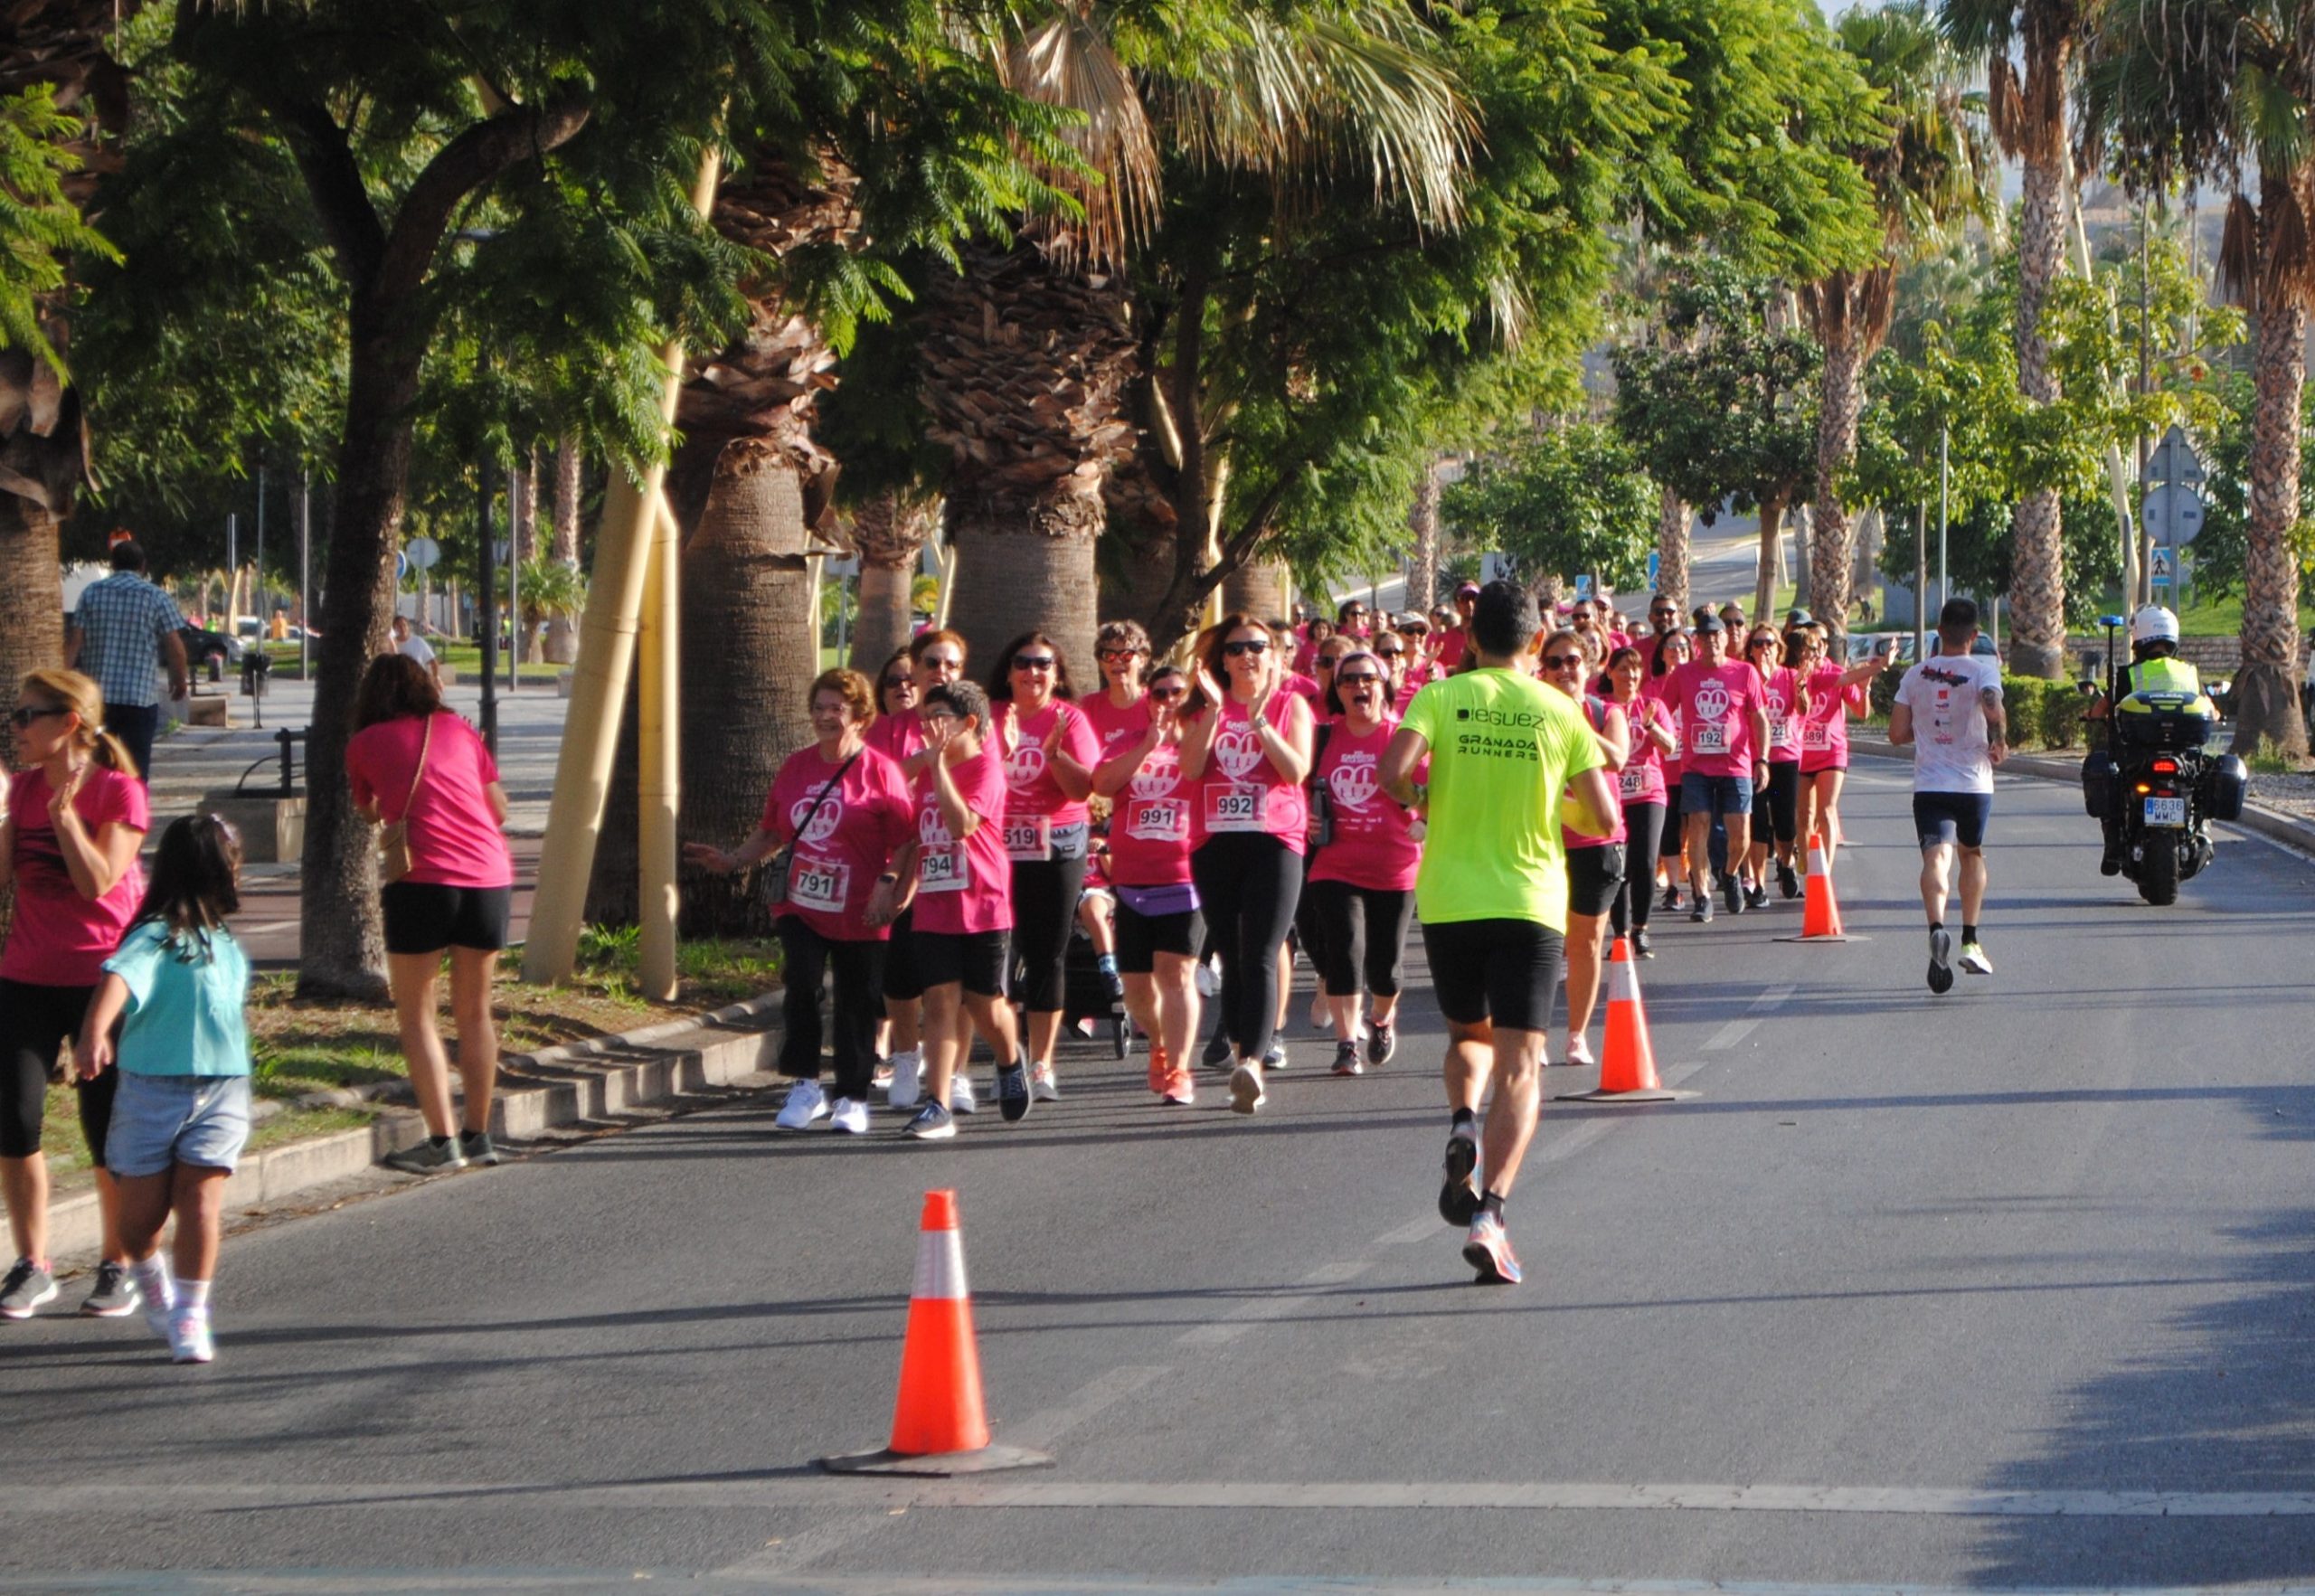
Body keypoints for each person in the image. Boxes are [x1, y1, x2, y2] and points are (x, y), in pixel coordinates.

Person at [1383, 581, 1614, 1286]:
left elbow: (1391, 771)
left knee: (1466, 1039)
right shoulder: (1561, 707)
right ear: (1537, 643)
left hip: (1450, 899)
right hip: (1529, 901)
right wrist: (1553, 805)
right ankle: (1492, 1213)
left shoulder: (1441, 697)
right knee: (1522, 1062)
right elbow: (1603, 817)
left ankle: (1460, 1122)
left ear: (1470, 640)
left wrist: (1425, 798)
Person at [686, 669, 914, 1136]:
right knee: (802, 983)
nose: (826, 717)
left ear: (860, 716)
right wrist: (732, 860)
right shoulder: (797, 767)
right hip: (801, 903)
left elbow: (909, 839)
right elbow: (773, 830)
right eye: (819, 707)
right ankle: (806, 1085)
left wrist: (890, 887)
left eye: (837, 708)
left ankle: (852, 1095)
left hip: (861, 908)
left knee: (856, 999)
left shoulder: (881, 771)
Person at [74, 814, 251, 1363]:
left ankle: (190, 1314)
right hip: (151, 1091)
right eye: (234, 859)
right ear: (215, 868)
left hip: (221, 1090)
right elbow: (118, 977)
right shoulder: (155, 935)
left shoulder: (224, 941)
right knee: (138, 1226)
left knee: (199, 1202)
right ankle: (152, 1282)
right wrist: (94, 1032)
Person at [0, 669, 146, 1321]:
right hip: (25, 974)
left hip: (100, 983)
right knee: (15, 1120)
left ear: (69, 723)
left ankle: (118, 1262)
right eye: (14, 715)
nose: (15, 727)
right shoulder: (22, 790)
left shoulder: (120, 791)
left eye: (27, 715)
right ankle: (34, 1263)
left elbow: (96, 884)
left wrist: (66, 822)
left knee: (104, 1128)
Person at [345, 654, 514, 1173]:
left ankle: (442, 1143)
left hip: (422, 880)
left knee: (418, 1014)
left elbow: (371, 809)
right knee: (475, 1011)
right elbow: (499, 808)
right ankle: (479, 1134)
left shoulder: (363, 744)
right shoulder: (459, 730)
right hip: (489, 877)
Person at [1183, 612, 1315, 1114]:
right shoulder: (1203, 708)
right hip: (1215, 843)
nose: (1247, 657)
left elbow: (1295, 769)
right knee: (1232, 957)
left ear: (1274, 655)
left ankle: (1253, 1063)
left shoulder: (1290, 704)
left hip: (1274, 841)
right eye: (1236, 649)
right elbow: (1192, 768)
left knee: (1261, 950)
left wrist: (1259, 719)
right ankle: (1242, 1055)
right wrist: (1216, 714)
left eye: (1257, 647)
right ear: (1222, 660)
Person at [886, 681, 1027, 1139]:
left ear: (968, 722)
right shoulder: (927, 764)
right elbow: (887, 778)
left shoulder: (987, 768)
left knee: (984, 1005)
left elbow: (961, 824)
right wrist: (923, 761)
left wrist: (938, 768)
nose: (928, 727)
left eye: (938, 717)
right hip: (935, 903)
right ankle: (938, 1104)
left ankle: (1009, 1059)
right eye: (923, 719)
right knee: (940, 1002)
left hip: (984, 903)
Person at [988, 632, 1101, 1105]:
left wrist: (1053, 756)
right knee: (997, 953)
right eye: (1023, 662)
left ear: (1057, 674)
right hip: (994, 845)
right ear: (1008, 670)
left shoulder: (1069, 718)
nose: (1033, 672)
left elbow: (1083, 790)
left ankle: (1042, 1064)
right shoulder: (989, 716)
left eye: (1043, 664)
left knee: (1046, 953)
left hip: (1057, 842)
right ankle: (1005, 1060)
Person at [1306, 648, 1422, 1075]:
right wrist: (1306, 815)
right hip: (1335, 864)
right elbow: (1295, 786)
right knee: (1345, 951)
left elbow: (1434, 788)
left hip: (1395, 866)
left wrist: (1424, 821)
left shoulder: (1402, 737)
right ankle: (1345, 1044)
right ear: (1337, 690)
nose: (1359, 687)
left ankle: (1382, 1017)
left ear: (1384, 686)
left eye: (1368, 679)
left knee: (1385, 969)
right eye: (1349, 680)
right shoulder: (1323, 737)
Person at [1091, 660, 1203, 1104]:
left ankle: (1179, 1068)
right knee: (1137, 988)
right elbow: (1101, 784)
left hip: (1185, 878)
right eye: (1160, 693)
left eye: (1178, 692)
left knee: (1176, 976)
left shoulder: (1201, 746)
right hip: (1132, 881)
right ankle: (1159, 1043)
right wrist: (1148, 745)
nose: (1169, 701)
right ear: (1148, 699)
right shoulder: (1129, 743)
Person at [1889, 598, 2007, 994]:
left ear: (1939, 632)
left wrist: (1925, 730)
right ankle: (1970, 939)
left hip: (1931, 784)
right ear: (1974, 635)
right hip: (1973, 783)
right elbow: (1993, 708)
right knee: (1970, 853)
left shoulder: (1915, 675)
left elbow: (1896, 734)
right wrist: (2000, 740)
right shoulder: (1983, 671)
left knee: (1936, 856)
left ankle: (1937, 926)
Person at [1537, 630, 1628, 1068]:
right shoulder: (1530, 716)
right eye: (1554, 663)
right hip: (1541, 839)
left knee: (1587, 943)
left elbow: (1617, 758)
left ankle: (1576, 1035)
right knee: (1542, 941)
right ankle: (1533, 1035)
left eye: (1572, 660)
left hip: (1597, 842)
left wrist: (1573, 722)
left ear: (1588, 666)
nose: (1564, 670)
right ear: (1542, 671)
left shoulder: (1604, 712)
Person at [1662, 614, 1770, 922]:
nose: (1711, 641)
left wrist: (1761, 759)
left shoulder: (1745, 672)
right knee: (1699, 823)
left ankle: (1731, 872)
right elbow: (1663, 711)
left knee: (1741, 835)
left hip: (1735, 765)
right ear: (1697, 642)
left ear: (1726, 639)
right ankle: (1702, 895)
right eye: (1704, 637)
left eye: (1716, 635)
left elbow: (1760, 718)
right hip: (1695, 766)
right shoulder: (1683, 674)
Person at [2084, 606, 2204, 875]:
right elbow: (2209, 708)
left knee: (2112, 783)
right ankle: (2201, 828)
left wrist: (2091, 715)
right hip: (2184, 758)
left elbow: (2104, 707)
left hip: (2138, 757)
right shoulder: (2189, 671)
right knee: (2200, 784)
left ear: (2138, 639)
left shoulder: (2129, 674)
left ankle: (2112, 845)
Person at [64, 541, 188, 786]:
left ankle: (94, 815)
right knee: (137, 765)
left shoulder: (91, 593)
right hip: (139, 699)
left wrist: (63, 684)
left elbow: (75, 642)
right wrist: (179, 679)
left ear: (112, 564)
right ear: (143, 566)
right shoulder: (156, 596)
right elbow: (174, 645)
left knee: (95, 762)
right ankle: (133, 814)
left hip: (97, 699)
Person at [1797, 627, 1891, 871]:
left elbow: (1862, 712)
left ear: (1825, 648)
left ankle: (1824, 872)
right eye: (1808, 648)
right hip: (1801, 753)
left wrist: (1866, 685)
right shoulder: (1797, 674)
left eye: (1818, 647)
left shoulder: (1835, 673)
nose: (1813, 654)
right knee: (1804, 817)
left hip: (1831, 751)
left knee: (1826, 810)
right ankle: (1805, 862)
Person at [1605, 644, 1677, 958]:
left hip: (1649, 792)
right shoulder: (1602, 708)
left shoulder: (1653, 706)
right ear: (1610, 673)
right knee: (1617, 866)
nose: (1630, 675)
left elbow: (1670, 747)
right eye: (1623, 669)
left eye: (1635, 669)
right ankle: (1620, 934)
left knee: (1645, 861)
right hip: (1613, 795)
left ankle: (1641, 929)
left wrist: (1650, 726)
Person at [1741, 626, 1803, 905]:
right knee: (1757, 824)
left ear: (1779, 649)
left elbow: (1803, 709)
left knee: (1785, 824)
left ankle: (1787, 864)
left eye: (1770, 643)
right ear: (1750, 649)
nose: (1764, 648)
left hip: (1784, 760)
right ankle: (1757, 883)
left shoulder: (1789, 676)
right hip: (1752, 760)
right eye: (1758, 643)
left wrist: (1801, 687)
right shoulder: (1745, 676)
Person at [1647, 628, 1692, 912]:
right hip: (1665, 769)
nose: (1677, 651)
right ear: (1662, 653)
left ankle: (1698, 880)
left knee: (1699, 825)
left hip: (1697, 767)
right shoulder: (1651, 688)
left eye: (1683, 647)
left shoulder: (1698, 680)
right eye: (1671, 646)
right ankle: (1674, 885)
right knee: (1670, 827)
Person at [1432, 582, 1479, 674]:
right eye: (1464, 599)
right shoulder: (1444, 640)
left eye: (1473, 598)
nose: (1470, 604)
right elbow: (1438, 672)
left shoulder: (1487, 638)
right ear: (1456, 604)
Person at [391, 614, 443, 690]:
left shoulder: (418, 641)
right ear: (394, 629)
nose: (402, 628)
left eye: (404, 625)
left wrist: (436, 678)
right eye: (399, 626)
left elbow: (433, 661)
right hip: (400, 685)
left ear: (408, 627)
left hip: (418, 683)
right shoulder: (392, 644)